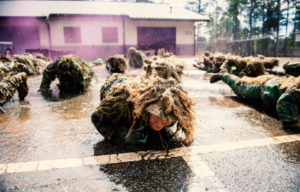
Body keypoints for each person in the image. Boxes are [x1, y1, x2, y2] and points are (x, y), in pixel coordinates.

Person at [92, 75, 196, 147]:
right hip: (113, 86)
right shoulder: (123, 103)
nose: (160, 124)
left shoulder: (172, 114)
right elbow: (96, 117)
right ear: (147, 110)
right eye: (157, 116)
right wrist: (119, 133)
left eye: (166, 120)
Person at [210, 71, 300, 128]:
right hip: (262, 88)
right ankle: (224, 75)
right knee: (239, 86)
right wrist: (294, 122)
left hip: (271, 85)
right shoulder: (295, 90)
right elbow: (284, 104)